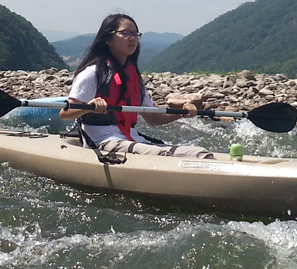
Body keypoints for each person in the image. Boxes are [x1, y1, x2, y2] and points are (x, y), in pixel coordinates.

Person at [59, 14, 213, 164]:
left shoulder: (133, 77)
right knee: (168, 156)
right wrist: (89, 106)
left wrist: (181, 112)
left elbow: (153, 118)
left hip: (132, 139)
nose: (132, 38)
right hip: (103, 141)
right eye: (125, 33)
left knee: (200, 153)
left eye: (135, 34)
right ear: (108, 39)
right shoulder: (93, 73)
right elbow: (65, 114)